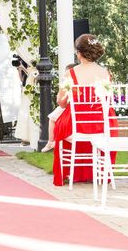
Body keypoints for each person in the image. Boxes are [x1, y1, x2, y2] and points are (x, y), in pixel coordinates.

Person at [52, 34, 117, 186]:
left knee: (60, 126)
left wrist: (68, 98)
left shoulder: (71, 73)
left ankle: (69, 172)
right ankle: (99, 173)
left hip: (77, 125)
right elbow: (108, 100)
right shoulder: (105, 73)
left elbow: (61, 103)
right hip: (102, 124)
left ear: (79, 53)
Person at [41, 63, 78, 152]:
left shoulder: (69, 83)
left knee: (52, 117)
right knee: (54, 116)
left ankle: (50, 141)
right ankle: (51, 141)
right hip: (76, 107)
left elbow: (61, 102)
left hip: (70, 107)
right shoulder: (79, 81)